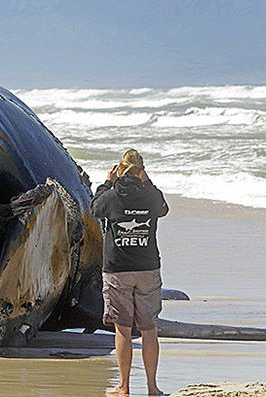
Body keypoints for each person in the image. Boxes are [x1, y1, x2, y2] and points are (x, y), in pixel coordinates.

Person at [91, 149, 168, 396]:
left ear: (121, 170)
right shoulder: (152, 197)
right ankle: (152, 387)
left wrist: (107, 182)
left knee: (123, 328)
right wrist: (149, 183)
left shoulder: (111, 196)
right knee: (149, 329)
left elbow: (95, 208)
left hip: (118, 271)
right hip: (147, 270)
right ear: (142, 171)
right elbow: (164, 209)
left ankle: (123, 386)